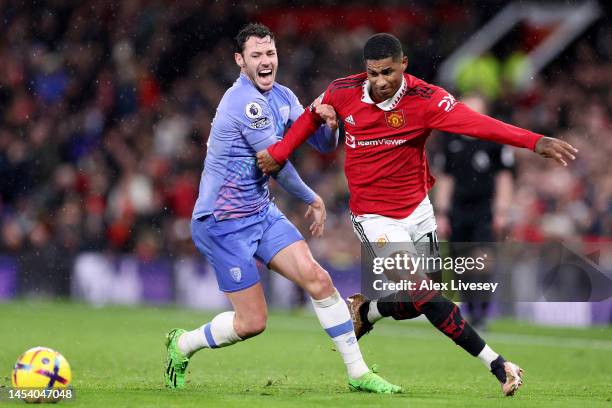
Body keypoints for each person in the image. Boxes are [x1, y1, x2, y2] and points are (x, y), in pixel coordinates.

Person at [256, 33, 578, 397]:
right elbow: (311, 117)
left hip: (417, 211)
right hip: (375, 218)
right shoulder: (342, 91)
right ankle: (496, 363)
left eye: (387, 73)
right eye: (373, 73)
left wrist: (535, 142)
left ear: (404, 64)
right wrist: (280, 152)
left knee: (419, 302)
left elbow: (479, 124)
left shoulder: (427, 100)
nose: (379, 82)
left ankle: (368, 312)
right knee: (425, 294)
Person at [164, 24, 402, 394]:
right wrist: (312, 197)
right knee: (252, 322)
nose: (265, 61)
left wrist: (329, 121)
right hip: (221, 222)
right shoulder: (242, 102)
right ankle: (183, 344)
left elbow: (323, 144)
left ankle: (358, 373)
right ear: (240, 61)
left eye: (270, 54)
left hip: (260, 212)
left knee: (319, 280)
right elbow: (275, 162)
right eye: (256, 55)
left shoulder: (284, 96)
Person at [433, 94, 515, 331]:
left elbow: (504, 178)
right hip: (458, 210)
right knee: (461, 262)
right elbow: (445, 179)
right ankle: (470, 311)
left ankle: (482, 311)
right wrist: (442, 213)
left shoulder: (495, 140)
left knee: (483, 261)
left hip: (485, 209)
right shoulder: (450, 141)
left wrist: (502, 210)